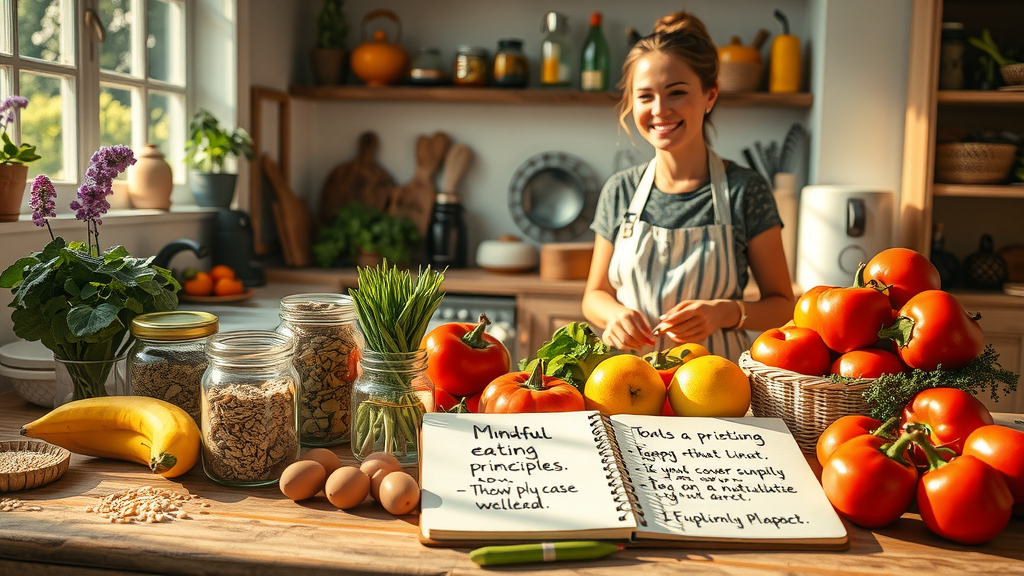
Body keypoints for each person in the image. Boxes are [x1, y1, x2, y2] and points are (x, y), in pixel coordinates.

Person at [582, 11, 794, 363]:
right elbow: (594, 295)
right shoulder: (619, 190)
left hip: (714, 389)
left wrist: (723, 313)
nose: (660, 110)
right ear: (631, 102)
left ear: (710, 96)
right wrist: (613, 316)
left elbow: (783, 306)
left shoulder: (745, 190)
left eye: (676, 92)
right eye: (645, 96)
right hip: (626, 386)